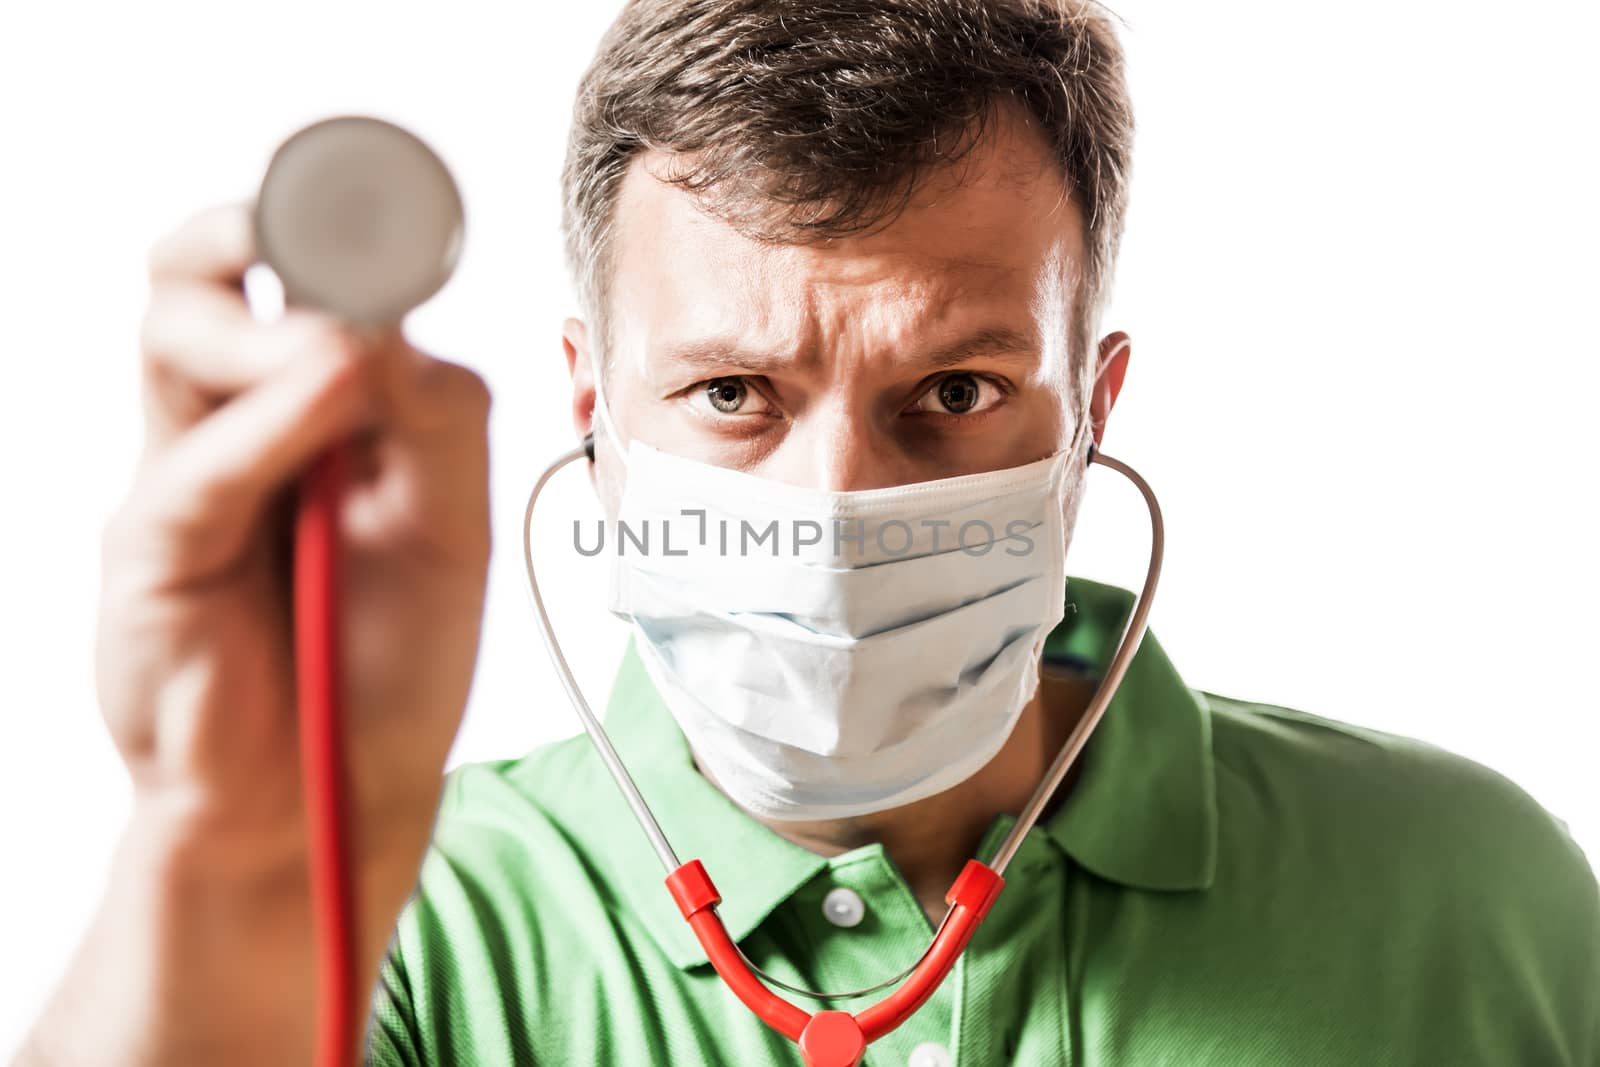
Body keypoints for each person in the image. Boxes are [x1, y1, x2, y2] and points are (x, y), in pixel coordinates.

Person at [15, 1, 1599, 1064]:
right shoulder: (395, 923)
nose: (839, 507)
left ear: (1094, 408)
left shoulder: (1464, 902)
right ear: (590, 401)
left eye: (959, 388)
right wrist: (223, 845)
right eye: (730, 392)